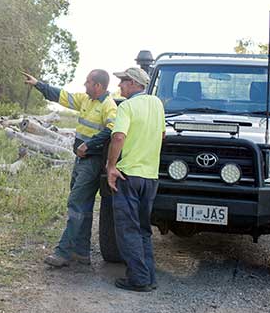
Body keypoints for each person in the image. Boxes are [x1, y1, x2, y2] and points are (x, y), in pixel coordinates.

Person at [23, 69, 118, 267]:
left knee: (76, 204)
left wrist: (89, 145)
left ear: (98, 86)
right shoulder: (86, 100)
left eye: (88, 82)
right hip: (80, 160)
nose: (85, 84)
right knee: (83, 206)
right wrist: (38, 84)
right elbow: (61, 96)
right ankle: (82, 253)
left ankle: (63, 252)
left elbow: (112, 131)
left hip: (91, 163)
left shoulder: (109, 106)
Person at [105, 66, 165, 292]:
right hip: (150, 176)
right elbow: (161, 135)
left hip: (128, 175)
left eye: (122, 81)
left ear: (133, 83)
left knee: (127, 229)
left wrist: (111, 166)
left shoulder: (127, 106)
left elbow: (118, 136)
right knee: (143, 229)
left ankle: (138, 279)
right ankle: (149, 277)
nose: (119, 85)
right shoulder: (157, 104)